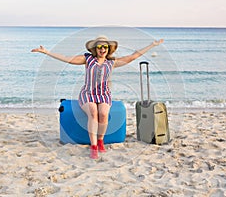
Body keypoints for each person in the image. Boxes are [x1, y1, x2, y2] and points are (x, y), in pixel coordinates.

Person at [31, 36, 164, 159]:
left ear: (108, 49)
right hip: (88, 93)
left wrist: (152, 45)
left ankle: (100, 140)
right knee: (93, 113)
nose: (102, 49)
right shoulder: (87, 59)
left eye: (105, 47)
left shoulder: (112, 62)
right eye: (100, 47)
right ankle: (93, 146)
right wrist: (46, 52)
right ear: (95, 49)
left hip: (104, 94)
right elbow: (67, 58)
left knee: (103, 114)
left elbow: (133, 57)